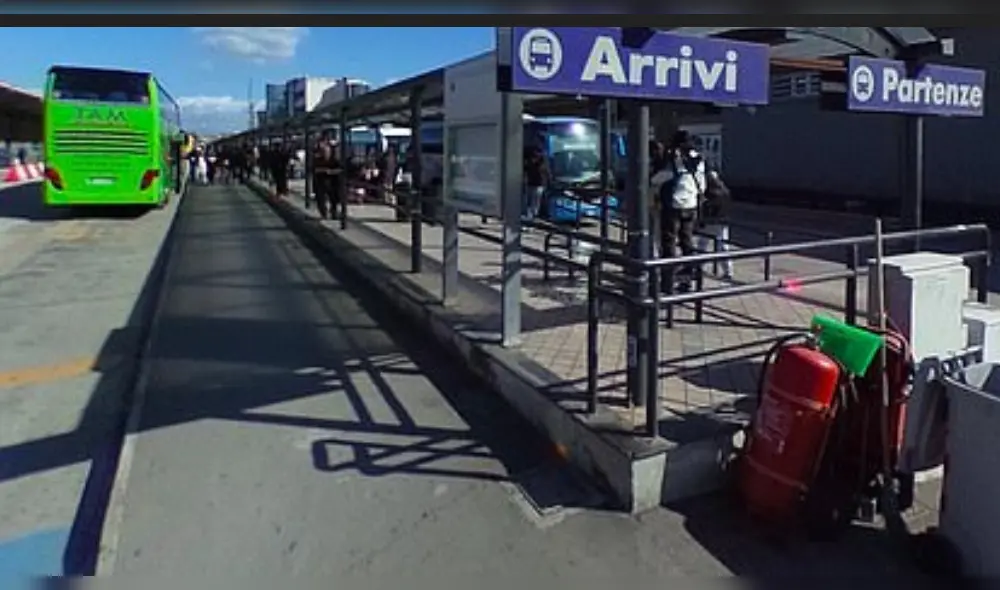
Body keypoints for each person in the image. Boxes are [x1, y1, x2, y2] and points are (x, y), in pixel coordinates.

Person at [651, 130, 705, 292]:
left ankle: (667, 282)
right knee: (687, 240)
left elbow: (659, 178)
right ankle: (689, 275)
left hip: (674, 205)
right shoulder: (699, 160)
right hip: (692, 204)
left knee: (668, 243)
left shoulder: (675, 159)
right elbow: (702, 185)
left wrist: (652, 179)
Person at [696, 168, 734, 280]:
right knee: (723, 246)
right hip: (723, 222)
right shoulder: (725, 191)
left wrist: (701, 220)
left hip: (711, 222)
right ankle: (728, 271)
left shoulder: (709, 193)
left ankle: (698, 266)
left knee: (702, 245)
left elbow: (706, 208)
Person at [313, 138, 342, 220]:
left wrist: (332, 172)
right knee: (320, 198)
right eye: (323, 151)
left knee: (334, 198)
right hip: (321, 181)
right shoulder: (318, 159)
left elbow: (341, 169)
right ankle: (324, 213)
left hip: (332, 182)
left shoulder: (335, 160)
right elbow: (315, 169)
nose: (325, 153)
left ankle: (333, 212)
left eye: (327, 151)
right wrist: (325, 171)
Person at [523, 144, 549, 222]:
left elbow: (546, 174)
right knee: (529, 201)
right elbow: (525, 170)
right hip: (531, 184)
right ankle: (529, 216)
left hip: (538, 185)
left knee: (535, 201)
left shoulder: (542, 164)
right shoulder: (530, 163)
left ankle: (532, 216)